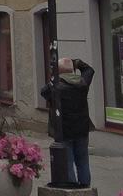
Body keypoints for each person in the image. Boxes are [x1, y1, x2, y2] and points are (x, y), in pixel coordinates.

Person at [40, 57, 96, 187]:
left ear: (58, 72)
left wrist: (53, 77)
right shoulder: (83, 83)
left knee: (68, 161)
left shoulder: (56, 86)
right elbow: (89, 70)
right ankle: (85, 186)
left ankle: (72, 187)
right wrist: (75, 62)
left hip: (64, 129)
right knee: (83, 160)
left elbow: (43, 92)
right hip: (82, 128)